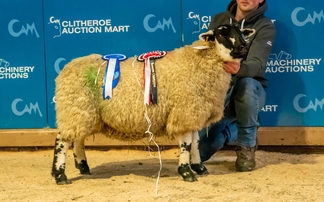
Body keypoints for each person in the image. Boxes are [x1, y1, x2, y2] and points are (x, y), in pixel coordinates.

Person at [198, 0, 276, 172]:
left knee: (246, 83)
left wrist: (240, 68)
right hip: (221, 93)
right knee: (197, 153)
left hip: (250, 90)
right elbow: (208, 52)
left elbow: (257, 64)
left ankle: (247, 146)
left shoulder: (264, 26)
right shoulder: (219, 19)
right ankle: (237, 126)